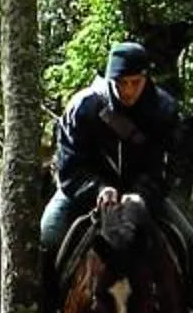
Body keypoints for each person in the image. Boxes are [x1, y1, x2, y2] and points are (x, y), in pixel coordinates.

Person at [41, 40, 184, 258]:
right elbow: (69, 168)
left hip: (141, 196)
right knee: (47, 237)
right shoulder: (82, 108)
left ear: (146, 78)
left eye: (135, 82)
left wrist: (141, 194)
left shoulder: (164, 111)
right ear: (110, 80)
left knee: (190, 243)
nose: (128, 90)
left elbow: (169, 166)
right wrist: (99, 189)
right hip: (83, 193)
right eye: (121, 83)